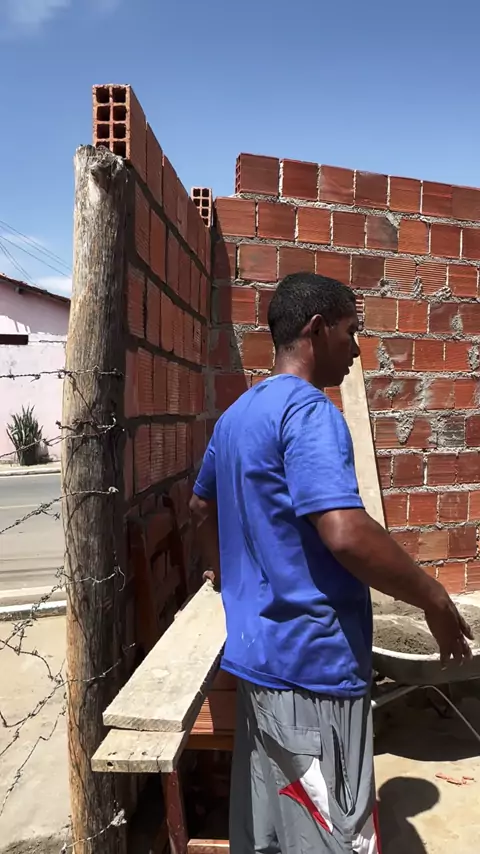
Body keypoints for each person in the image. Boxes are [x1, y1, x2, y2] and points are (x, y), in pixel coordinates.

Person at [189, 272, 472, 854]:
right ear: (317, 330)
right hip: (313, 671)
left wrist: (227, 576)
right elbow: (345, 533)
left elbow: (200, 507)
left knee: (270, 835)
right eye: (351, 332)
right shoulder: (310, 412)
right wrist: (434, 599)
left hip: (257, 662)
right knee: (330, 838)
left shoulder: (237, 417)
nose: (357, 350)